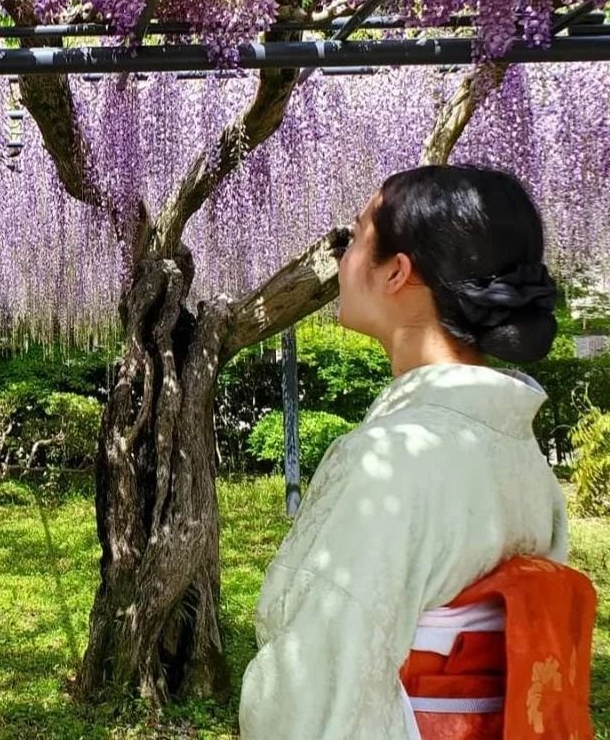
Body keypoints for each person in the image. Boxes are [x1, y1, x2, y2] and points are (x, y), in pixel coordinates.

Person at [239, 165, 595, 740]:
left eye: (353, 239)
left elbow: (310, 697)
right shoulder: (518, 450)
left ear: (397, 272)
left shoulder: (391, 459)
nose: (341, 259)